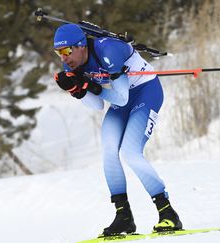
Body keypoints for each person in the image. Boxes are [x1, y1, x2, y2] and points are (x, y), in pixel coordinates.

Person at [52, 23, 182, 236]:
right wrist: (76, 91)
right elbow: (96, 105)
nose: (64, 58)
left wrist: (89, 87)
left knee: (131, 152)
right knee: (109, 152)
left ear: (81, 46)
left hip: (145, 91)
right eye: (59, 53)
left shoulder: (108, 50)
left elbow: (121, 98)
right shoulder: (72, 65)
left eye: (66, 51)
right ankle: (123, 218)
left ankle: (168, 213)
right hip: (120, 98)